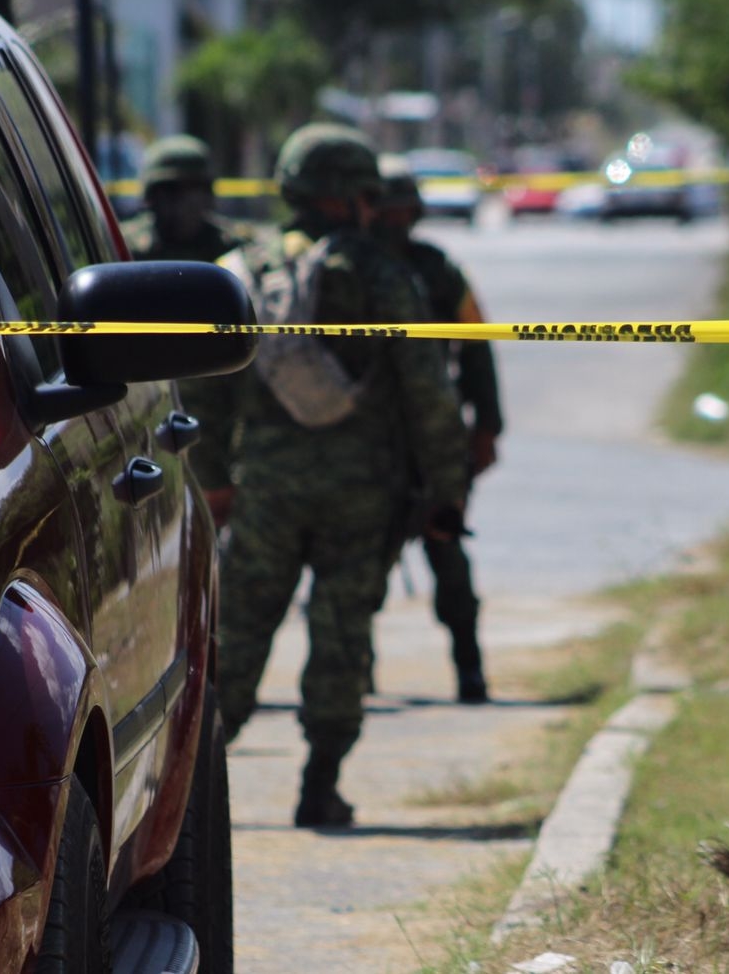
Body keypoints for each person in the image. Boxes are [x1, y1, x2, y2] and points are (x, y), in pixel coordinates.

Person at [181, 124, 469, 828]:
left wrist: (214, 480)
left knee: (240, 636)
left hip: (264, 491)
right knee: (342, 637)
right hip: (361, 494)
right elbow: (427, 390)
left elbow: (204, 392)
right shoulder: (382, 276)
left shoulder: (243, 269)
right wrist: (446, 492)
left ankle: (188, 802)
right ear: (351, 199)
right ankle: (320, 785)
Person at [372, 154, 503, 704]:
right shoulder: (348, 266)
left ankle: (469, 668)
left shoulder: (439, 269)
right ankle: (356, 671)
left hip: (436, 441)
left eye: (404, 207)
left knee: (447, 552)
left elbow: (476, 347)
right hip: (371, 440)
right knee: (360, 566)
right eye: (387, 207)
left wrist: (487, 426)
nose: (396, 219)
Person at [120, 133, 241, 262]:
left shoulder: (232, 248)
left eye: (193, 188)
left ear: (207, 196)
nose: (183, 203)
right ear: (151, 198)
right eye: (170, 190)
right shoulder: (124, 246)